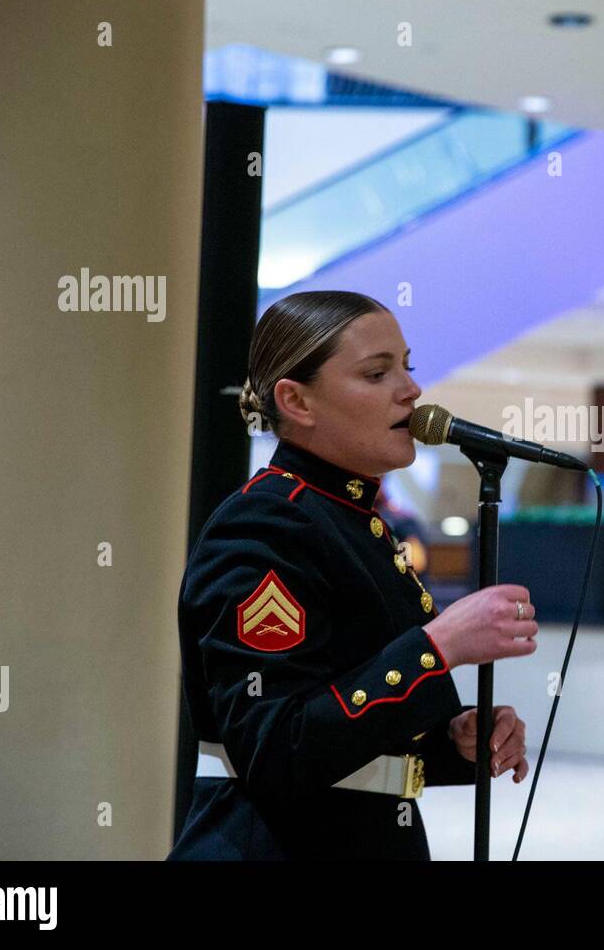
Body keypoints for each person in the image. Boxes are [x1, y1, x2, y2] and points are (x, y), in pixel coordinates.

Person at [169, 290, 536, 860]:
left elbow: (354, 732)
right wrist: (436, 649)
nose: (411, 390)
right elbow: (277, 748)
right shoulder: (266, 525)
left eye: (407, 367)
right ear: (297, 401)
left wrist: (453, 742)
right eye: (377, 373)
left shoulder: (353, 521)